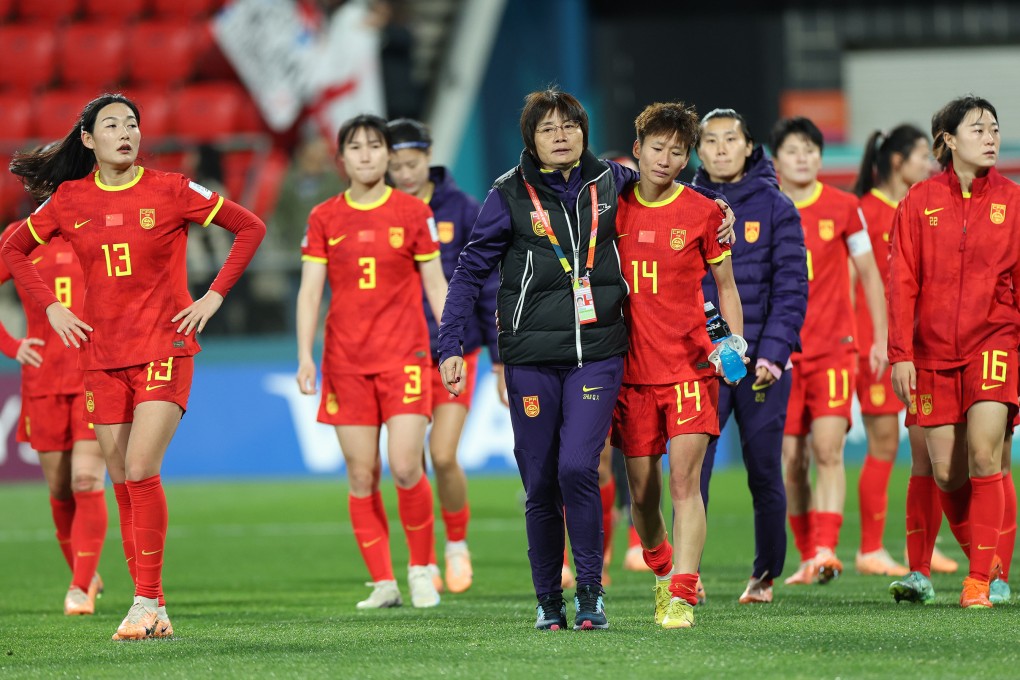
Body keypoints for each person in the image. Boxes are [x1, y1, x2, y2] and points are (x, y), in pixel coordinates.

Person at [436, 88, 734, 631]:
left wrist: (723, 208)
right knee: (541, 482)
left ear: (584, 132)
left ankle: (592, 594)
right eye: (548, 129)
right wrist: (450, 343)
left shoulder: (609, 180)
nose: (560, 136)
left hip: (598, 352)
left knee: (579, 466)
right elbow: (469, 272)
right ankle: (549, 599)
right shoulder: (506, 194)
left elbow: (667, 186)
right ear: (531, 137)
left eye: (569, 126)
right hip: (529, 353)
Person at [3, 93, 266, 640]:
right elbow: (10, 249)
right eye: (112, 124)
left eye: (133, 123)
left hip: (164, 349)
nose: (126, 132)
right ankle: (153, 611)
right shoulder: (71, 200)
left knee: (141, 468)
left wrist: (213, 297)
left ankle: (147, 600)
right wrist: (50, 306)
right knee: (122, 480)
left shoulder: (171, 190)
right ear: (88, 140)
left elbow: (250, 227)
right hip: (102, 359)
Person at [296, 114, 448, 610]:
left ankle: (422, 569)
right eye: (355, 147)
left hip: (404, 355)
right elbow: (311, 291)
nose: (365, 154)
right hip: (345, 362)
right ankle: (384, 582)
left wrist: (449, 344)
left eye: (374, 145)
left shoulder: (410, 212)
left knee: (406, 465)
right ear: (342, 159)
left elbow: (435, 285)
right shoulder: (324, 217)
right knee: (362, 474)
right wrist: (304, 355)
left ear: (387, 154)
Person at [613, 101, 742, 630]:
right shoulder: (609, 205)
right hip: (629, 373)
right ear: (638, 149)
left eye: (678, 151)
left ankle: (683, 593)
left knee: (686, 483)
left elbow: (726, 287)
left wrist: (734, 340)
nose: (666, 159)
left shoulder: (705, 213)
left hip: (690, 368)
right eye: (658, 147)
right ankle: (663, 566)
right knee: (643, 497)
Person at [888, 95, 1020, 608]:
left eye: (995, 129)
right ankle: (986, 564)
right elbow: (902, 284)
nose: (991, 138)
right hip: (930, 354)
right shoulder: (919, 202)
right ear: (948, 140)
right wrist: (901, 353)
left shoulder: (1013, 200)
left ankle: (980, 583)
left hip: (996, 342)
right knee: (946, 471)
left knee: (986, 455)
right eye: (979, 129)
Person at [694, 108, 808, 603]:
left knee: (763, 469)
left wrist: (774, 354)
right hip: (703, 362)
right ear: (698, 151)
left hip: (761, 363)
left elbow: (791, 287)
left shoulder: (778, 207)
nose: (721, 148)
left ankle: (764, 575)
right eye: (711, 141)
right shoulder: (685, 205)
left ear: (748, 146)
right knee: (690, 469)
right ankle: (686, 572)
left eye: (730, 139)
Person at [771, 116, 889, 585]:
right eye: (794, 150)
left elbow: (869, 274)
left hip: (835, 349)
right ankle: (807, 554)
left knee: (828, 448)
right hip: (781, 355)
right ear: (776, 159)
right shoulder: (766, 209)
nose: (803, 157)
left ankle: (825, 548)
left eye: (811, 149)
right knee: (792, 460)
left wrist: (879, 337)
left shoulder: (844, 207)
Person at [385, 117, 497, 594]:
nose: (404, 173)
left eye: (411, 163)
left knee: (444, 455)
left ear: (428, 155)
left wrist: (502, 354)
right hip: (400, 352)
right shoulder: (381, 207)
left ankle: (456, 545)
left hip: (457, 351)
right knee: (409, 463)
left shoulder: (464, 209)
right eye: (395, 165)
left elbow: (489, 282)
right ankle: (423, 560)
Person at [850, 125, 960, 580]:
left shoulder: (922, 208)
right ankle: (870, 548)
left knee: (923, 446)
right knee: (884, 443)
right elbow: (855, 283)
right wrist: (873, 340)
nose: (930, 165)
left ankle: (924, 546)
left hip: (922, 345)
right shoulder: (866, 211)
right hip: (878, 345)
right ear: (897, 161)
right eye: (920, 156)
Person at [0, 199, 107, 617]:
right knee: (61, 489)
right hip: (42, 380)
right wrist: (11, 346)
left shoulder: (98, 222)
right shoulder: (19, 235)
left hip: (92, 374)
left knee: (85, 479)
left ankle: (80, 586)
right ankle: (87, 574)